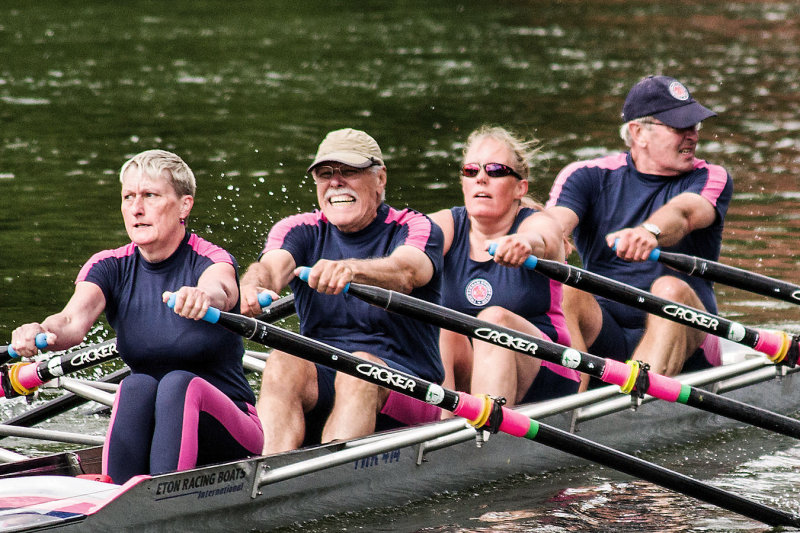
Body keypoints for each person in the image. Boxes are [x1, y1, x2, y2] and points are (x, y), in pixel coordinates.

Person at [10, 150, 263, 484]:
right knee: (137, 385)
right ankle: (118, 496)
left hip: (232, 431)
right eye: (128, 197)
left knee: (177, 383)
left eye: (150, 196)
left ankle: (160, 499)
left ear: (184, 206)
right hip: (160, 429)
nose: (136, 208)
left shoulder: (210, 259)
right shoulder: (109, 266)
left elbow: (222, 289)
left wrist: (204, 297)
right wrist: (39, 329)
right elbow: (70, 323)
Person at [239, 128, 444, 454]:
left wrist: (353, 269)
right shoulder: (298, 230)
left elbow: (407, 271)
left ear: (380, 179)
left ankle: (326, 480)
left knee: (359, 367)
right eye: (325, 174)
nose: (336, 182)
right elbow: (270, 268)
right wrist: (251, 286)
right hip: (324, 383)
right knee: (283, 359)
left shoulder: (414, 227)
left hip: (409, 390)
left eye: (349, 172)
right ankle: (266, 472)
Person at [546, 75, 734, 384]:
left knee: (668, 289)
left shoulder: (710, 177)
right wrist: (535, 240)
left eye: (694, 126)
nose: (692, 137)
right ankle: (569, 409)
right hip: (608, 333)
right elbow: (554, 223)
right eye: (679, 127)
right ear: (638, 133)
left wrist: (650, 232)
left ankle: (635, 401)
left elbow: (685, 213)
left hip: (691, 338)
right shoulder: (585, 176)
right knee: (567, 290)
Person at [429, 126, 580, 411]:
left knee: (495, 319)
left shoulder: (535, 222)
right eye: (471, 171)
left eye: (496, 171)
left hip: (546, 369)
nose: (481, 179)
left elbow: (543, 238)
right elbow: (405, 245)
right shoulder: (445, 225)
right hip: (473, 367)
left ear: (519, 188)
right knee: (441, 323)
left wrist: (525, 243)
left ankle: (484, 439)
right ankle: (440, 431)